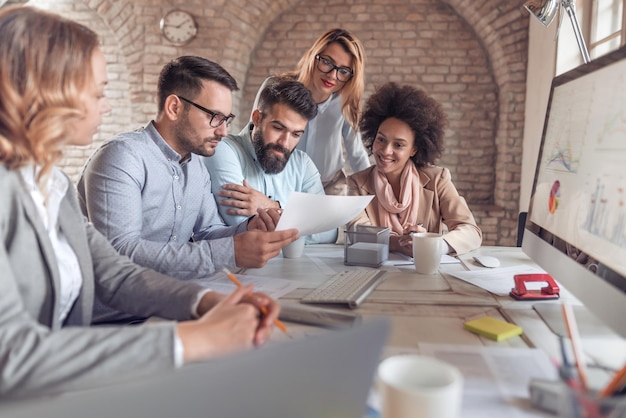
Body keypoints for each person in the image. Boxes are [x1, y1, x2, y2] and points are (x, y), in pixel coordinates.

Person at [0, 6, 281, 398]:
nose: (107, 105)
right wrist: (192, 340)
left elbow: (115, 273)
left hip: (72, 375)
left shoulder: (51, 184)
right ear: (47, 89)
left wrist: (205, 302)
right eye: (97, 92)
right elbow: (10, 358)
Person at [77, 56, 297, 287]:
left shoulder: (195, 166)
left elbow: (207, 231)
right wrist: (227, 252)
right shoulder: (122, 157)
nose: (223, 132)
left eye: (227, 119)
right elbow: (120, 252)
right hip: (120, 316)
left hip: (172, 297)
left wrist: (250, 228)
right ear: (174, 108)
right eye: (214, 117)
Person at [346, 82, 482, 256]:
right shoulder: (357, 183)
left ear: (414, 149)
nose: (386, 150)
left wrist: (433, 245)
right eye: (381, 139)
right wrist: (397, 243)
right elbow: (357, 231)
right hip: (375, 272)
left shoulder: (437, 180)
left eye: (398, 145)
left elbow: (470, 231)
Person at [205, 77, 338, 244]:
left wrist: (273, 206)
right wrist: (304, 220)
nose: (284, 142)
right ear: (257, 118)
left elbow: (330, 230)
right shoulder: (224, 150)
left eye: (296, 134)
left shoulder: (303, 164)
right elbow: (244, 225)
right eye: (278, 128)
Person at [252, 28, 371, 195]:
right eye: (327, 62)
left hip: (329, 186)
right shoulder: (275, 87)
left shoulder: (345, 103)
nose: (332, 76)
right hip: (282, 182)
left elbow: (357, 155)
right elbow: (253, 134)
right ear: (314, 57)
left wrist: (374, 193)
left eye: (343, 71)